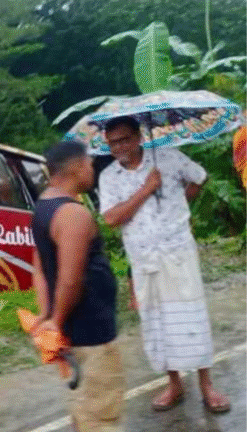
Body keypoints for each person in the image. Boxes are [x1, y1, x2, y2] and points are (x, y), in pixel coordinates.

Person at [98, 116, 230, 413]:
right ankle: (174, 384)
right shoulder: (108, 177)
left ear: (138, 136)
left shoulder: (168, 157)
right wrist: (146, 189)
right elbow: (111, 218)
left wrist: (180, 204)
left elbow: (200, 177)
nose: (119, 147)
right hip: (143, 260)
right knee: (157, 322)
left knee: (192, 317)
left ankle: (206, 385)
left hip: (178, 253)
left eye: (124, 139)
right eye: (112, 143)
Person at [31, 141, 124, 432]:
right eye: (90, 164)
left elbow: (40, 268)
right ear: (77, 167)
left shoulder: (44, 205)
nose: (92, 170)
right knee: (100, 410)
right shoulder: (73, 214)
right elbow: (71, 279)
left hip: (73, 330)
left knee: (84, 402)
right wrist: (56, 320)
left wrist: (47, 315)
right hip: (91, 330)